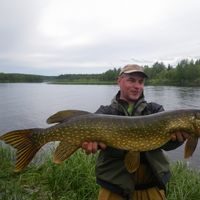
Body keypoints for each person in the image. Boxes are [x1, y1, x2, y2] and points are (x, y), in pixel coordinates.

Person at [82, 64, 189, 200]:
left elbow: (165, 145)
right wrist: (91, 145)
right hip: (114, 189)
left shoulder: (155, 110)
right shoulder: (105, 113)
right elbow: (91, 142)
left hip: (151, 188)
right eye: (131, 80)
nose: (137, 86)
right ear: (119, 81)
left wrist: (179, 139)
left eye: (140, 82)